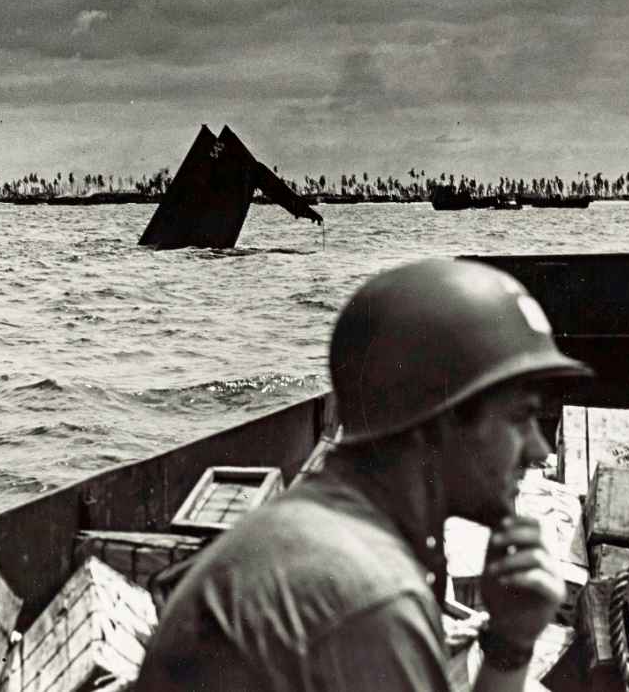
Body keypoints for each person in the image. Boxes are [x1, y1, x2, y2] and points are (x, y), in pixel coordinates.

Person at [134, 258, 593, 692]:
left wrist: (510, 644)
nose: (540, 449)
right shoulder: (369, 600)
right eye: (521, 418)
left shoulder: (319, 525)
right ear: (438, 422)